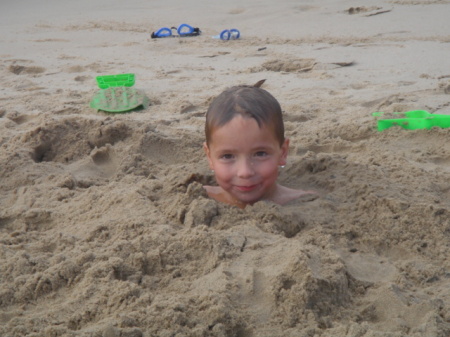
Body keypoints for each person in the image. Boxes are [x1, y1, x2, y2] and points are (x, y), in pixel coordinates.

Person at [203, 83, 317, 208]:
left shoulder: (308, 201)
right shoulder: (199, 197)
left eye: (260, 154)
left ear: (282, 152)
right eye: (227, 156)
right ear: (210, 157)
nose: (245, 172)